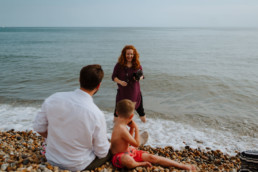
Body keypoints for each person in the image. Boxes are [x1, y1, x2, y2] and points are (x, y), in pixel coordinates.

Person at [33, 64, 111, 171]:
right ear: (98, 86)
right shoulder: (96, 114)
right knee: (110, 149)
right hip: (78, 164)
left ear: (79, 80)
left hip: (52, 158)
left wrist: (57, 139)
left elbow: (39, 127)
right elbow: (101, 153)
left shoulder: (54, 98)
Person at [110, 99, 196, 171]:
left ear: (117, 112)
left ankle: (181, 166)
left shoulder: (119, 124)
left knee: (152, 157)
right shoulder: (120, 128)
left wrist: (131, 129)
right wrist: (136, 128)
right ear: (131, 116)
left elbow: (127, 141)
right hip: (119, 155)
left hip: (128, 151)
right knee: (128, 160)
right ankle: (138, 164)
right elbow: (136, 144)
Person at [112, 45, 146, 123]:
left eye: (131, 54)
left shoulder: (137, 65)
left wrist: (138, 78)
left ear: (134, 55)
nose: (130, 56)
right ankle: (112, 131)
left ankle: (146, 129)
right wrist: (120, 82)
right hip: (122, 93)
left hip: (135, 93)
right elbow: (113, 77)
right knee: (116, 115)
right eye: (128, 54)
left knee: (141, 113)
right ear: (124, 54)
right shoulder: (119, 65)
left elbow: (142, 76)